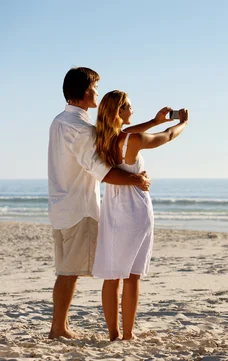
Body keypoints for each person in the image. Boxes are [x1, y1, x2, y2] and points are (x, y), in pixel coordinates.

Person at [48, 67, 152, 339]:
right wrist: (136, 180)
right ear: (85, 93)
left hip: (60, 206)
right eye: (94, 88)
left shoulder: (60, 122)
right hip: (78, 208)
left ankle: (61, 325)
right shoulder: (81, 130)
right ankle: (58, 328)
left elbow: (117, 133)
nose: (96, 92)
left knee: (65, 270)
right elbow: (102, 171)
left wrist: (152, 122)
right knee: (69, 272)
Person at [92, 90, 188, 341]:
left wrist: (156, 120)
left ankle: (113, 334)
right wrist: (182, 124)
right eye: (129, 107)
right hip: (135, 212)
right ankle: (128, 334)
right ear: (119, 111)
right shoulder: (132, 141)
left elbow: (130, 130)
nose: (133, 111)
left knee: (112, 276)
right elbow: (166, 137)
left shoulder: (104, 139)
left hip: (113, 211)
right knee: (132, 276)